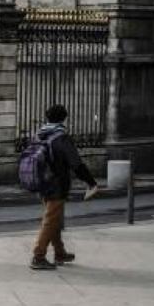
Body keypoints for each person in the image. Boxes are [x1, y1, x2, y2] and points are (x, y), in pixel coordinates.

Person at [29, 104, 99, 270]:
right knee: (51, 220)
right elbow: (76, 164)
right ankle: (38, 257)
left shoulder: (39, 134)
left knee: (55, 220)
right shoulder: (61, 137)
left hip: (41, 182)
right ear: (64, 118)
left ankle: (60, 253)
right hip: (56, 184)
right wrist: (91, 182)